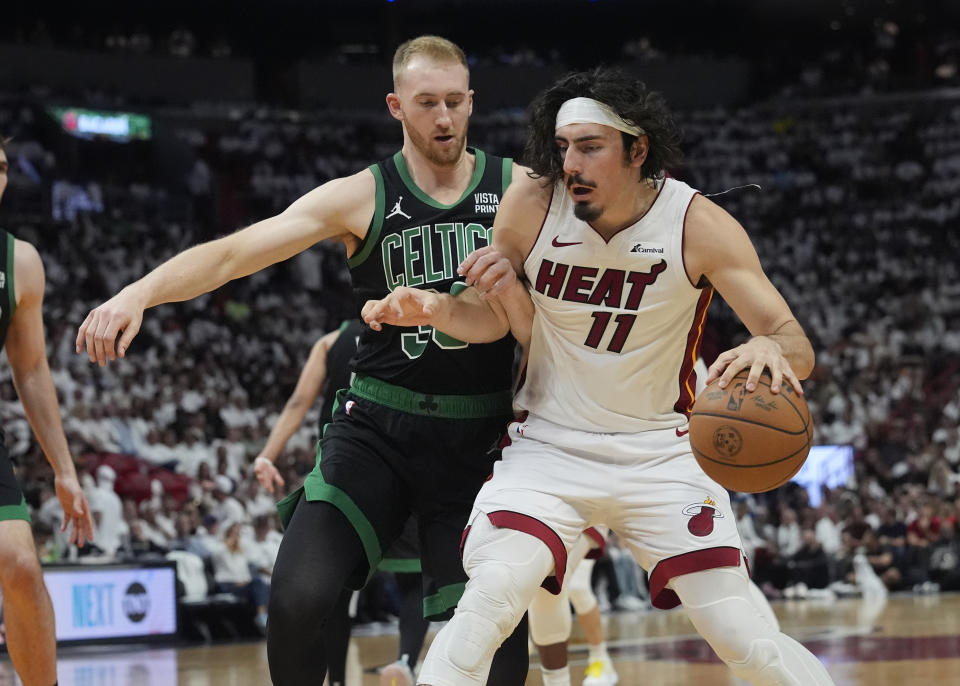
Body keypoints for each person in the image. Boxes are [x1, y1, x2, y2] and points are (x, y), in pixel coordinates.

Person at [75, 36, 530, 685]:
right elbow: (236, 253)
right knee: (296, 600)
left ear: (471, 101)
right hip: (376, 428)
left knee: (497, 629)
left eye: (456, 102)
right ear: (396, 106)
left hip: (479, 437)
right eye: (428, 103)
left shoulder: (515, 188)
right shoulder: (361, 195)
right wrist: (139, 292)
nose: (444, 118)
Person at [362, 67, 835, 685]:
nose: (571, 164)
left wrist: (772, 348)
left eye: (590, 147)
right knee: (488, 602)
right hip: (550, 446)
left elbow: (796, 343)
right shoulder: (533, 203)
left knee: (747, 643)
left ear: (638, 150)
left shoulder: (696, 223)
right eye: (562, 148)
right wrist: (437, 308)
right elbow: (492, 318)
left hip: (660, 453)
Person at [253, 319, 430, 686]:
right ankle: (406, 660)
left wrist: (268, 454)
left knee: (331, 587)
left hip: (347, 469)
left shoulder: (330, 342)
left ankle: (335, 680)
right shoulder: (424, 325)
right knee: (413, 578)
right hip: (408, 459)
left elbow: (300, 400)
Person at [0, 137, 95, 686]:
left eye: (4, 167)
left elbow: (31, 369)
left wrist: (63, 469)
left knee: (20, 565)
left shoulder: (19, 261)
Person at [528, 527, 618, 686]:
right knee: (542, 583)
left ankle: (600, 660)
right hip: (550, 516)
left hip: (589, 514)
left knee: (574, 586)